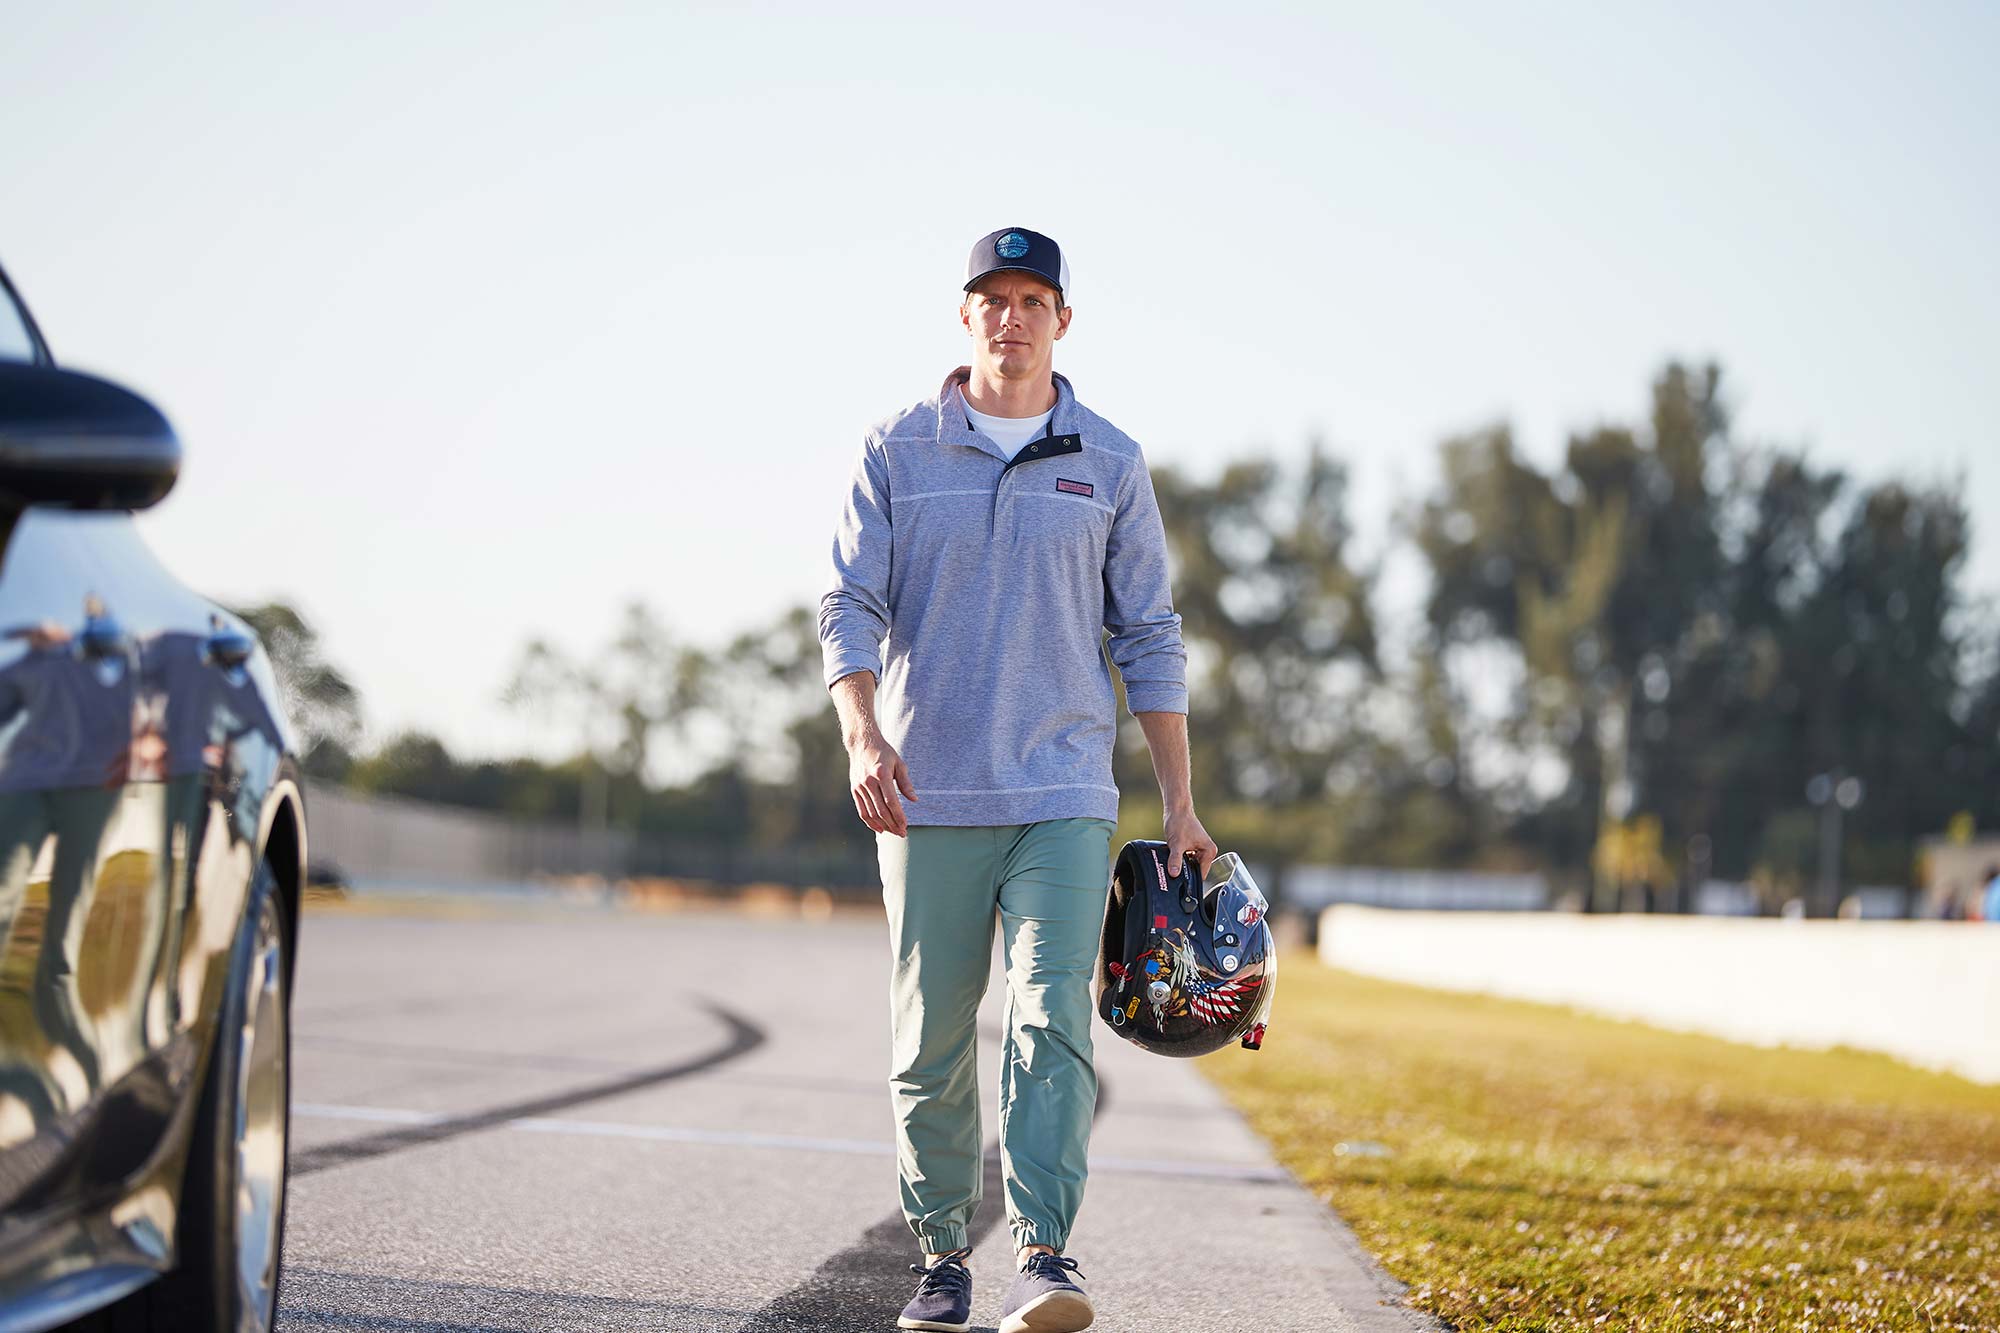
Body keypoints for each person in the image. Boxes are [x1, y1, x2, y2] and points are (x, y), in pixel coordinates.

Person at [818, 226, 1216, 1333]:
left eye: (1031, 297)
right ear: (963, 316)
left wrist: (1179, 802)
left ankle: (1045, 1255)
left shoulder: (1111, 461)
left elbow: (1148, 634)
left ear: (1061, 320)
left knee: (1050, 1018)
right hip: (923, 794)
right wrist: (860, 735)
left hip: (1061, 795)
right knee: (931, 1038)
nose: (1010, 315)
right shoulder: (895, 448)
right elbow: (846, 604)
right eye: (990, 296)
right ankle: (943, 1259)